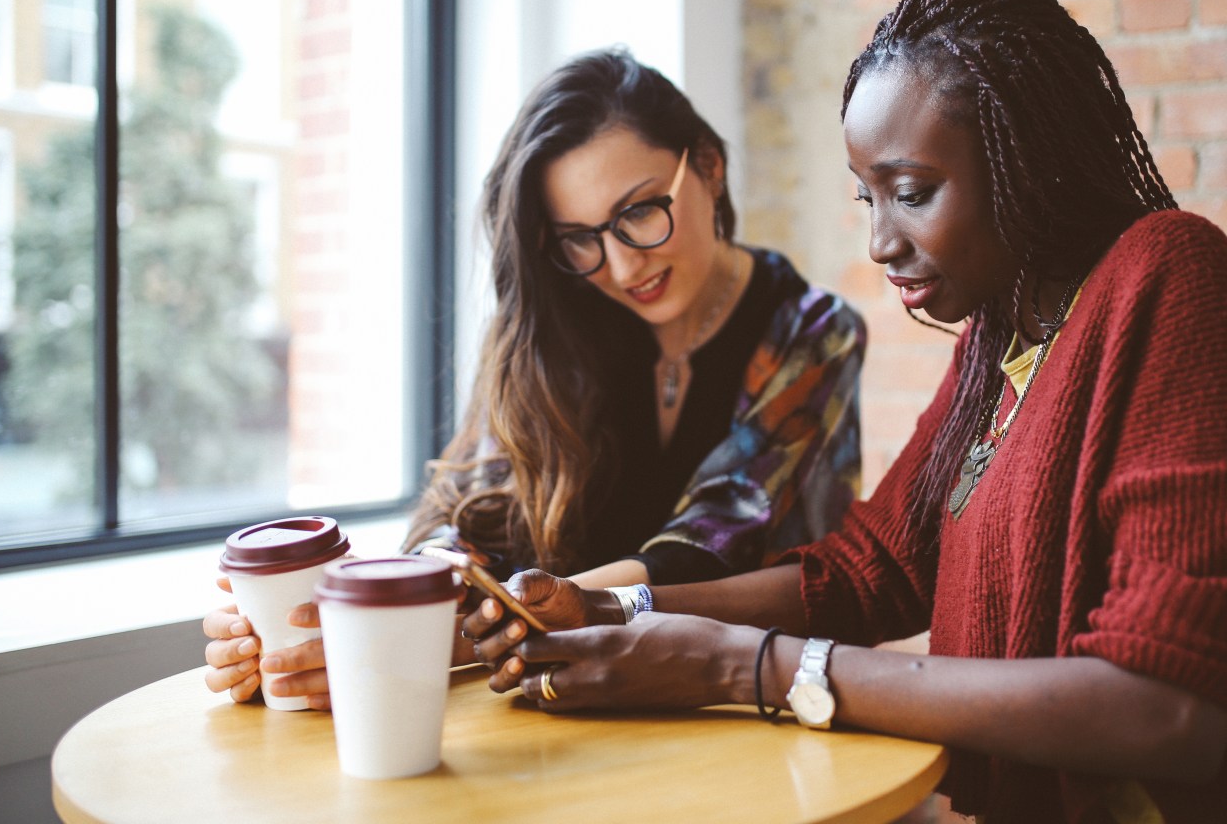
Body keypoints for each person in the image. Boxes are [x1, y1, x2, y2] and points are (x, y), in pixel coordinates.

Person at [463, 0, 1227, 822]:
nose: (880, 241)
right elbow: (871, 571)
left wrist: (738, 666)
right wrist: (623, 614)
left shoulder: (1171, 282)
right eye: (866, 197)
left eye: (911, 191)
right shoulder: (1002, 337)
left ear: (1022, 159)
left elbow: (1168, 710)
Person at [201, 49, 865, 709]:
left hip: (744, 710)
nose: (621, 266)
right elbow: (474, 512)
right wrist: (343, 623)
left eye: (639, 212)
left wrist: (446, 635)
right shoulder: (557, 326)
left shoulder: (812, 333)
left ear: (710, 167)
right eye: (579, 237)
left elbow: (712, 542)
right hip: (560, 708)